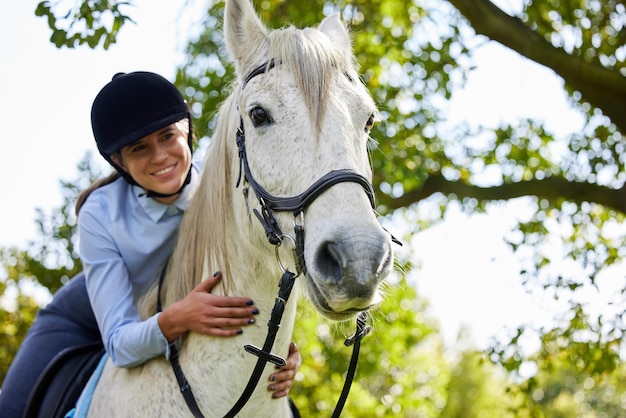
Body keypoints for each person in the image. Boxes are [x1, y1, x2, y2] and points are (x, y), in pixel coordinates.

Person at [0, 71, 301, 418]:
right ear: (118, 161)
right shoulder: (99, 212)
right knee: (11, 408)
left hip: (180, 303)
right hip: (89, 316)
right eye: (139, 147)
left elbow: (266, 278)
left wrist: (285, 353)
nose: (159, 156)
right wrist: (177, 317)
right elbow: (118, 344)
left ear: (186, 128)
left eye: (167, 136)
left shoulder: (228, 184)